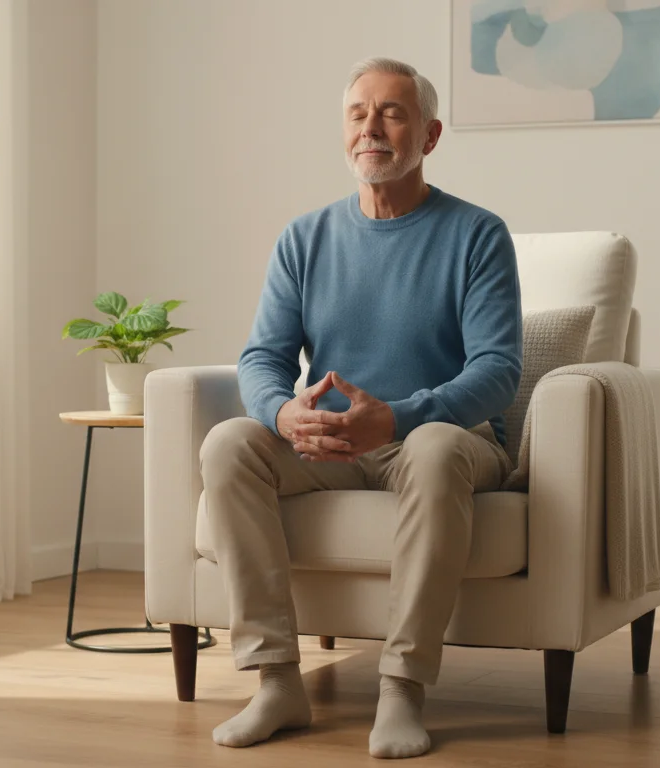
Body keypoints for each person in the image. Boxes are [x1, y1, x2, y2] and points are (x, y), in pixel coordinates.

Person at [199, 57, 523, 759]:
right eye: (357, 113)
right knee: (229, 444)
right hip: (333, 448)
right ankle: (276, 682)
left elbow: (498, 370)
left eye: (392, 113)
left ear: (429, 135)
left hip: (443, 441)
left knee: (434, 447)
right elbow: (262, 358)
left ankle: (402, 688)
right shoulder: (304, 239)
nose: (371, 127)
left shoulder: (478, 234)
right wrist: (282, 414)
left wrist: (399, 417)